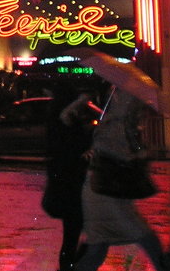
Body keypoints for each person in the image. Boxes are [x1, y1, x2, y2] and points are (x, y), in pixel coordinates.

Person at [75, 86, 166, 271]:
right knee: (145, 237)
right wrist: (140, 155)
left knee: (98, 247)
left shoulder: (117, 125)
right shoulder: (116, 126)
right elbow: (117, 153)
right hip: (105, 192)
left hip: (105, 190)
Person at [42, 83, 99, 271]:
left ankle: (68, 265)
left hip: (63, 183)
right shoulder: (65, 120)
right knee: (84, 231)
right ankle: (71, 265)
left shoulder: (56, 118)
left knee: (72, 233)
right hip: (72, 184)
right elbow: (74, 147)